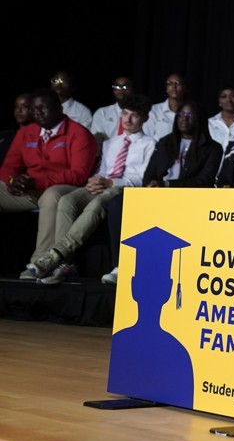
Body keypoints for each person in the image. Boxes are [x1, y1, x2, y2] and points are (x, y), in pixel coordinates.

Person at [32, 94, 156, 285]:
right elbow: (103, 171)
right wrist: (95, 180)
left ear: (145, 118)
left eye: (134, 115)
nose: (128, 119)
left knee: (98, 203)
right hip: (104, 184)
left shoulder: (150, 144)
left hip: (125, 190)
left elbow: (142, 178)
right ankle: (65, 266)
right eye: (125, 113)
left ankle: (58, 253)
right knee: (67, 200)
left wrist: (111, 183)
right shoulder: (110, 143)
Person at [102, 99, 223, 285]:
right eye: (181, 115)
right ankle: (119, 265)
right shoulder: (165, 143)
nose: (184, 119)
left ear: (199, 119)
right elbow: (148, 174)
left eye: (190, 115)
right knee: (118, 203)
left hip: (188, 200)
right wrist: (152, 185)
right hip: (156, 196)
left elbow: (204, 181)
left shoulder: (213, 148)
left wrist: (167, 185)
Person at [0, 88, 98, 278]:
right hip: (30, 188)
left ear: (60, 108)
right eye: (34, 109)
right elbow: (8, 166)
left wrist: (36, 182)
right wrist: (13, 181)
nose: (38, 113)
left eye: (43, 108)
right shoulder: (27, 132)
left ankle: (39, 263)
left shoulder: (78, 133)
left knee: (51, 195)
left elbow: (78, 175)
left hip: (64, 188)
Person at [91, 76, 135, 145]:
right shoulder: (102, 112)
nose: (121, 90)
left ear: (132, 89)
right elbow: (97, 139)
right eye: (117, 87)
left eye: (125, 87)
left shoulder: (139, 114)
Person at [145, 72, 187, 141]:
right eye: (170, 83)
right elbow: (147, 137)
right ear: (166, 89)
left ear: (184, 87)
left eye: (178, 83)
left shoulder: (190, 112)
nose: (174, 86)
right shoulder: (154, 110)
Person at [0, 93, 34, 164]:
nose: (19, 110)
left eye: (25, 106)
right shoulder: (5, 135)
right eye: (16, 106)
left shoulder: (40, 136)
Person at [208, 85, 234, 154]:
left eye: (233, 96)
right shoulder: (210, 123)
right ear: (219, 101)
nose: (229, 100)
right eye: (224, 97)